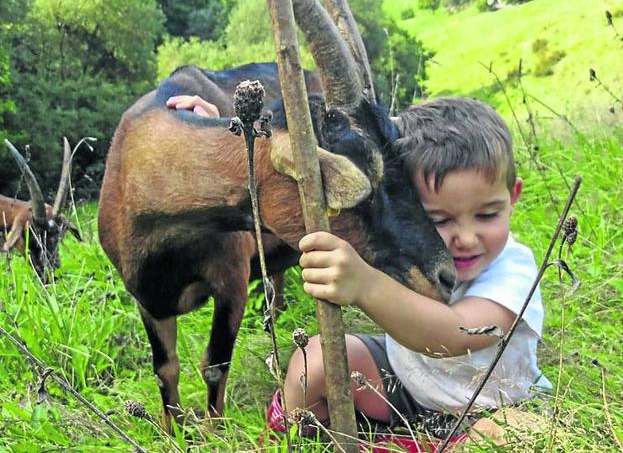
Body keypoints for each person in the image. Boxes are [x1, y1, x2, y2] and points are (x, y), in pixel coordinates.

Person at [167, 95, 551, 447]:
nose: (467, 238)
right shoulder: (406, 248)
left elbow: (452, 334)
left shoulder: (513, 270)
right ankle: (292, 435)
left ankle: (412, 443)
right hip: (402, 387)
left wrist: (366, 285)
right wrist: (228, 138)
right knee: (314, 358)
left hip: (491, 406)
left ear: (513, 196)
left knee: (512, 434)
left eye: (487, 214)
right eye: (438, 219)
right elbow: (300, 173)